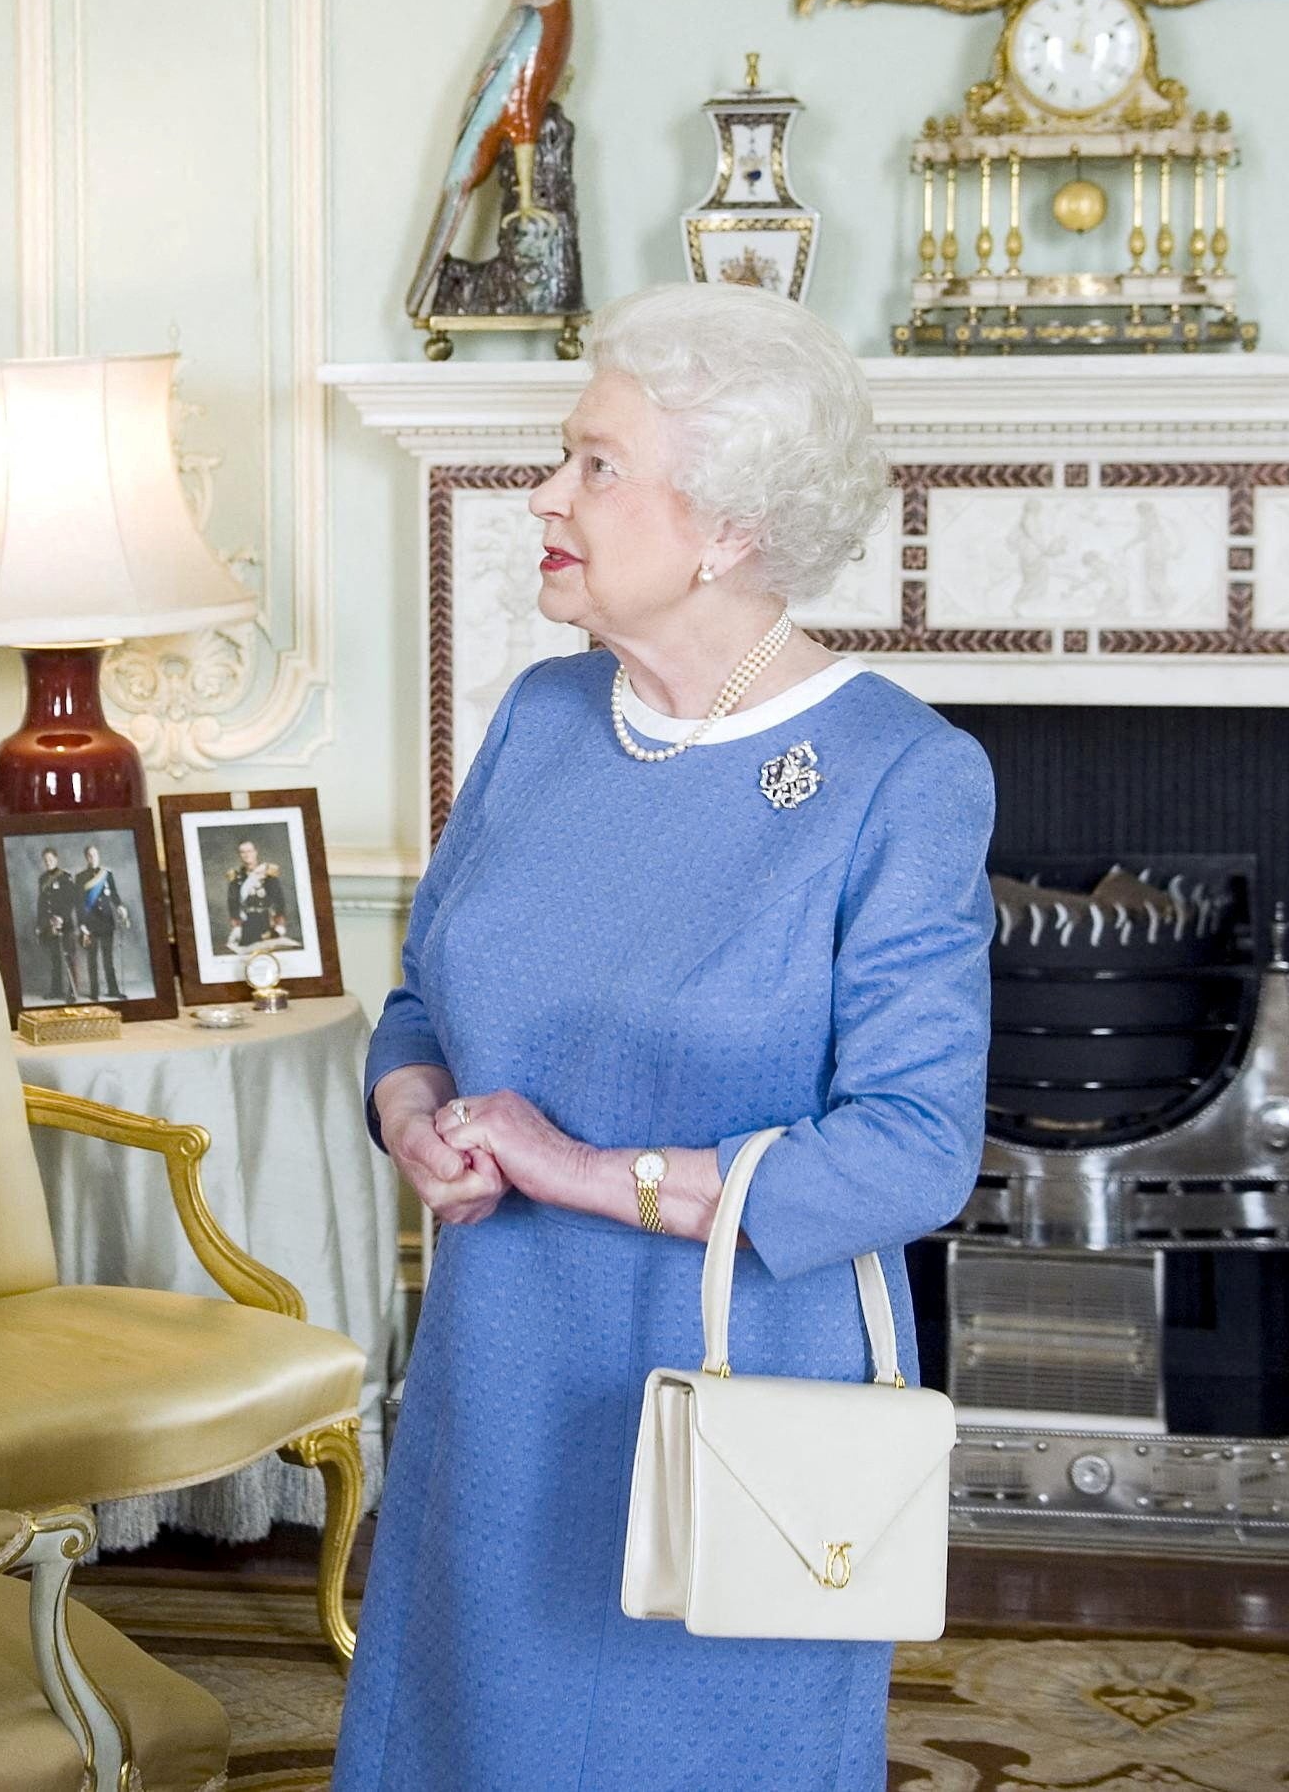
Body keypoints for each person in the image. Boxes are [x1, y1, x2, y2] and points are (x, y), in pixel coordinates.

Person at [331, 283, 994, 1791]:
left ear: (731, 525)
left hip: (733, 1393)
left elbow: (912, 1150)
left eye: (596, 464)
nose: (547, 495)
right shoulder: (544, 715)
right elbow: (424, 1002)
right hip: (498, 1365)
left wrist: (576, 1166)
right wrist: (415, 1107)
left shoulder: (900, 772)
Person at [223, 836, 292, 954]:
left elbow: (279, 900)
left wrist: (280, 924)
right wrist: (237, 926)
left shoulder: (268, 874)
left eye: (249, 851)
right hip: (247, 924)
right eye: (242, 852)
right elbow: (233, 903)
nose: (246, 855)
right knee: (246, 955)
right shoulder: (236, 877)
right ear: (240, 855)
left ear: (255, 852)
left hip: (267, 921)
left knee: (271, 954)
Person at [77, 841, 128, 999]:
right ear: (86, 857)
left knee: (108, 959)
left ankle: (113, 990)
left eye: (95, 854)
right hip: (90, 923)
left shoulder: (107, 874)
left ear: (98, 856)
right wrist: (82, 925)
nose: (92, 857)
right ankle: (94, 992)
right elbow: (78, 903)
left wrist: (120, 906)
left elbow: (114, 895)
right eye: (89, 855)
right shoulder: (81, 877)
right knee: (92, 959)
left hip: (106, 922)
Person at [33, 845, 82, 1001]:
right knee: (55, 959)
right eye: (45, 860)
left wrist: (61, 917)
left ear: (56, 859)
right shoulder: (42, 879)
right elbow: (41, 904)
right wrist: (40, 925)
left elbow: (72, 900)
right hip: (49, 925)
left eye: (50, 859)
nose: (48, 862)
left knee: (69, 957)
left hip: (65, 924)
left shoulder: (65, 877)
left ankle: (73, 992)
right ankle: (56, 990)